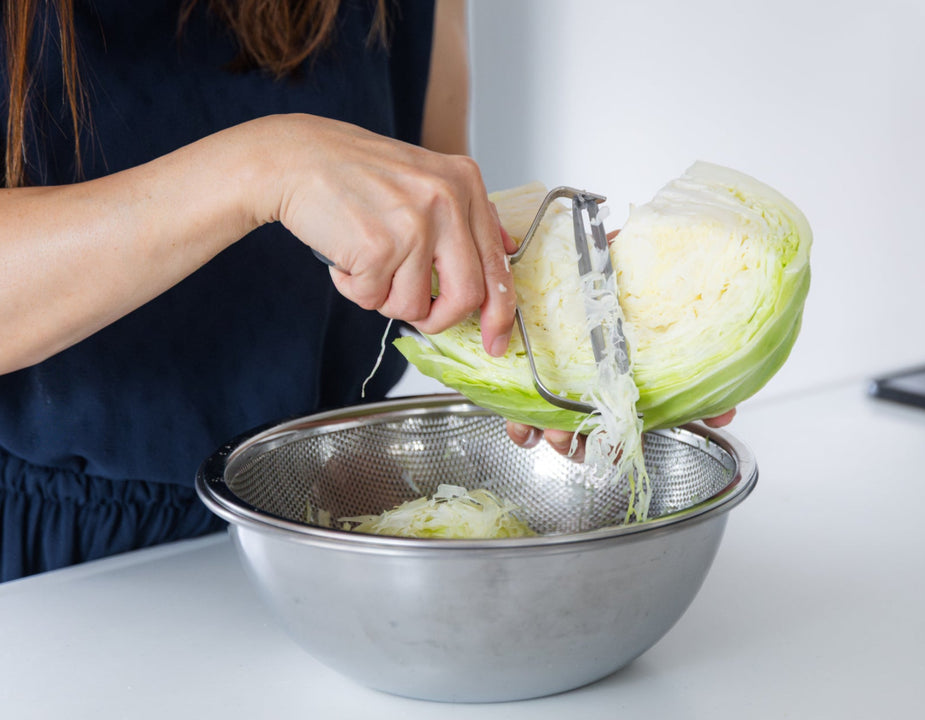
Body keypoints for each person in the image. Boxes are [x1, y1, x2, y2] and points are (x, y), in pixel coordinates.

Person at [0, 0, 732, 583]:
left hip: (326, 523)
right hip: (47, 569)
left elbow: (430, 221)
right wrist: (265, 166)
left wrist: (556, 323)